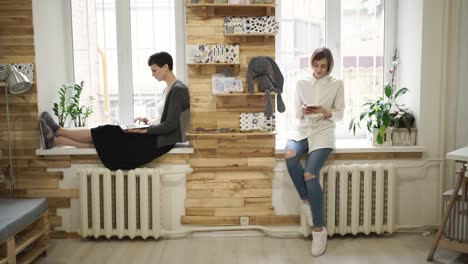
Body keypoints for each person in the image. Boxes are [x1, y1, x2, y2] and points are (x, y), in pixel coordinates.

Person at [39, 51, 190, 170]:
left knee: (107, 131)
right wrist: (148, 122)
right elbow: (164, 119)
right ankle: (56, 140)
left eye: (154, 70)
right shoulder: (168, 89)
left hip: (158, 142)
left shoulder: (178, 90)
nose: (152, 74)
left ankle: (59, 131)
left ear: (165, 67)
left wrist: (145, 131)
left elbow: (171, 125)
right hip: (154, 136)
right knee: (109, 143)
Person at [284, 47, 344, 256]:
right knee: (290, 155)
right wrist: (301, 111)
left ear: (329, 66)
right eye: (316, 65)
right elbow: (294, 114)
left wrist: (325, 111)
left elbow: (340, 113)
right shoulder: (301, 83)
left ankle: (319, 230)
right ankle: (306, 201)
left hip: (323, 132)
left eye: (323, 66)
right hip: (302, 130)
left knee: (310, 174)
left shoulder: (337, 84)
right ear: (311, 64)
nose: (319, 69)